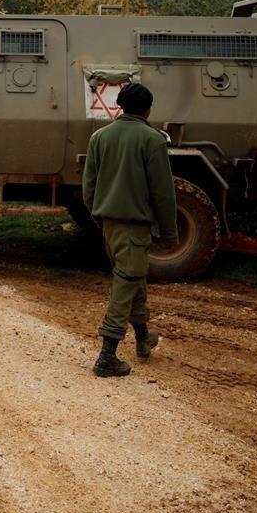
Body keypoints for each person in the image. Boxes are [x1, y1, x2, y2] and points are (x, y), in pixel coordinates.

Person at [81, 82, 178, 377]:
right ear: (148, 109)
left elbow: (89, 187)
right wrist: (170, 231)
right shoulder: (153, 140)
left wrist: (100, 218)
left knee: (134, 279)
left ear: (120, 106)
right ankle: (106, 357)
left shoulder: (99, 137)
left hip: (109, 226)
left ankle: (142, 339)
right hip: (135, 227)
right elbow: (163, 193)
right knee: (126, 283)